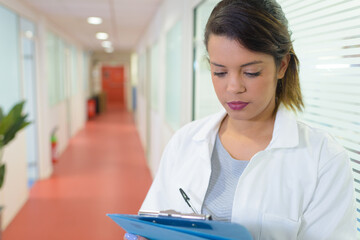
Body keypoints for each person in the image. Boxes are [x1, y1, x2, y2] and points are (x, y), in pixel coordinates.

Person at [124, 0, 357, 239]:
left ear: (282, 66)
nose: (233, 88)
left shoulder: (323, 159)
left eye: (251, 72)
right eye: (220, 72)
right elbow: (155, 218)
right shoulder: (184, 141)